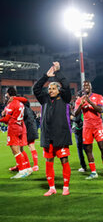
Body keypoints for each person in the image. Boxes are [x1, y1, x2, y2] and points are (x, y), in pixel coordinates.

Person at [33, 62, 72, 196]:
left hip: (61, 136)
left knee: (64, 160)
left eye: (53, 88)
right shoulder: (44, 99)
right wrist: (46, 77)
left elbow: (66, 85)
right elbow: (36, 89)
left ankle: (66, 187)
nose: (51, 91)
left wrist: (58, 72)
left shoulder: (65, 98)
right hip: (48, 136)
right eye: (49, 89)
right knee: (49, 162)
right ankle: (52, 188)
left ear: (58, 90)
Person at [74, 81, 103, 179]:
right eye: (84, 86)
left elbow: (100, 110)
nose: (86, 87)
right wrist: (82, 104)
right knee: (88, 149)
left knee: (102, 147)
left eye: (87, 85)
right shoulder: (80, 100)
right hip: (86, 127)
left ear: (91, 87)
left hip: (97, 126)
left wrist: (90, 102)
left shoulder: (99, 96)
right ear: (82, 88)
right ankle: (94, 172)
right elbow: (75, 113)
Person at [0, 87, 31, 179]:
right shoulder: (20, 103)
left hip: (13, 128)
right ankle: (27, 168)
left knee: (15, 150)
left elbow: (6, 120)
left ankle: (22, 171)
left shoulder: (11, 104)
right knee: (20, 149)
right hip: (20, 127)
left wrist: (1, 118)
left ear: (8, 94)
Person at [71, 92, 87, 172]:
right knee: (87, 148)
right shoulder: (86, 103)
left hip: (79, 128)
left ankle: (83, 166)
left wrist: (72, 118)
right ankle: (91, 165)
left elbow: (76, 118)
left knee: (80, 148)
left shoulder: (79, 104)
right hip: (86, 127)